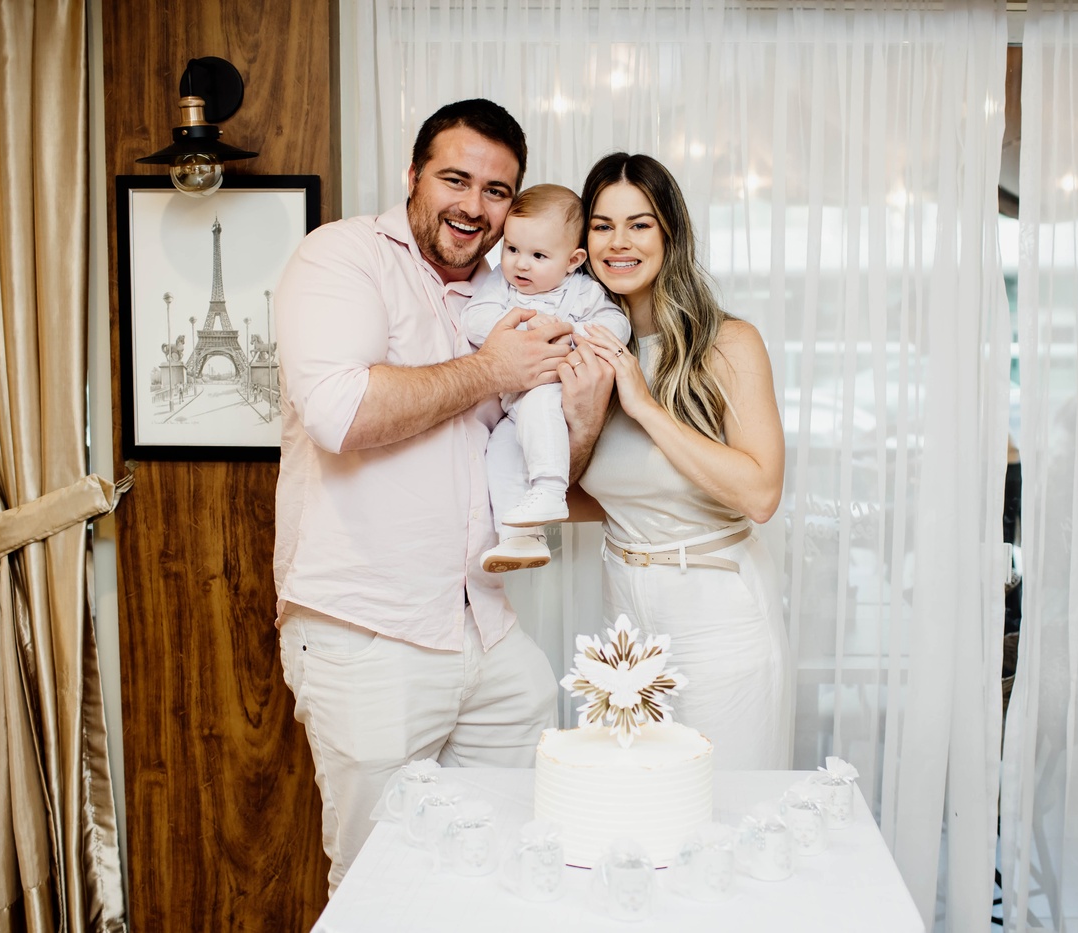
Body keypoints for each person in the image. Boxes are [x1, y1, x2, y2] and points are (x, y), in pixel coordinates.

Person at [272, 99, 603, 894]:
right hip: (368, 629)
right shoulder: (343, 256)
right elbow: (340, 413)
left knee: (508, 867)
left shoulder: (510, 288)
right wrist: (491, 370)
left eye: (497, 191)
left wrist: (584, 416)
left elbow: (541, 468)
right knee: (379, 883)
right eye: (455, 179)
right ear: (413, 174)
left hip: (486, 627)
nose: (474, 205)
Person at [563, 152, 791, 770]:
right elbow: (584, 494)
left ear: (670, 233)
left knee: (725, 800)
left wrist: (643, 406)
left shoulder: (729, 344)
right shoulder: (587, 349)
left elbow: (761, 494)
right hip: (622, 614)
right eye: (602, 225)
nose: (619, 242)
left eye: (639, 224)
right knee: (633, 799)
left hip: (716, 613)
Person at [460, 183, 631, 573]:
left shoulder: (582, 290)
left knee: (539, 407)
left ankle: (551, 489)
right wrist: (523, 331)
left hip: (554, 393)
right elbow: (474, 319)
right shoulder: (501, 285)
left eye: (538, 255)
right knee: (499, 454)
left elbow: (616, 325)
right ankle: (519, 537)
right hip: (513, 408)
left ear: (573, 260)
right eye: (512, 249)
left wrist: (571, 333)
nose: (520, 265)